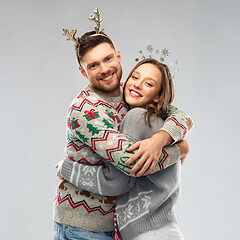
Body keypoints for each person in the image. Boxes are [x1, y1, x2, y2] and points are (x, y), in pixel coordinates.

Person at [54, 8, 193, 240]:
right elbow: (129, 166)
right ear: (82, 71)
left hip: (119, 225)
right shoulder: (86, 110)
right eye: (94, 65)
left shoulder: (129, 92)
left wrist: (160, 139)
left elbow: (181, 116)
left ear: (118, 56)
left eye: (108, 59)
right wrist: (179, 149)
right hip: (83, 227)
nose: (105, 69)